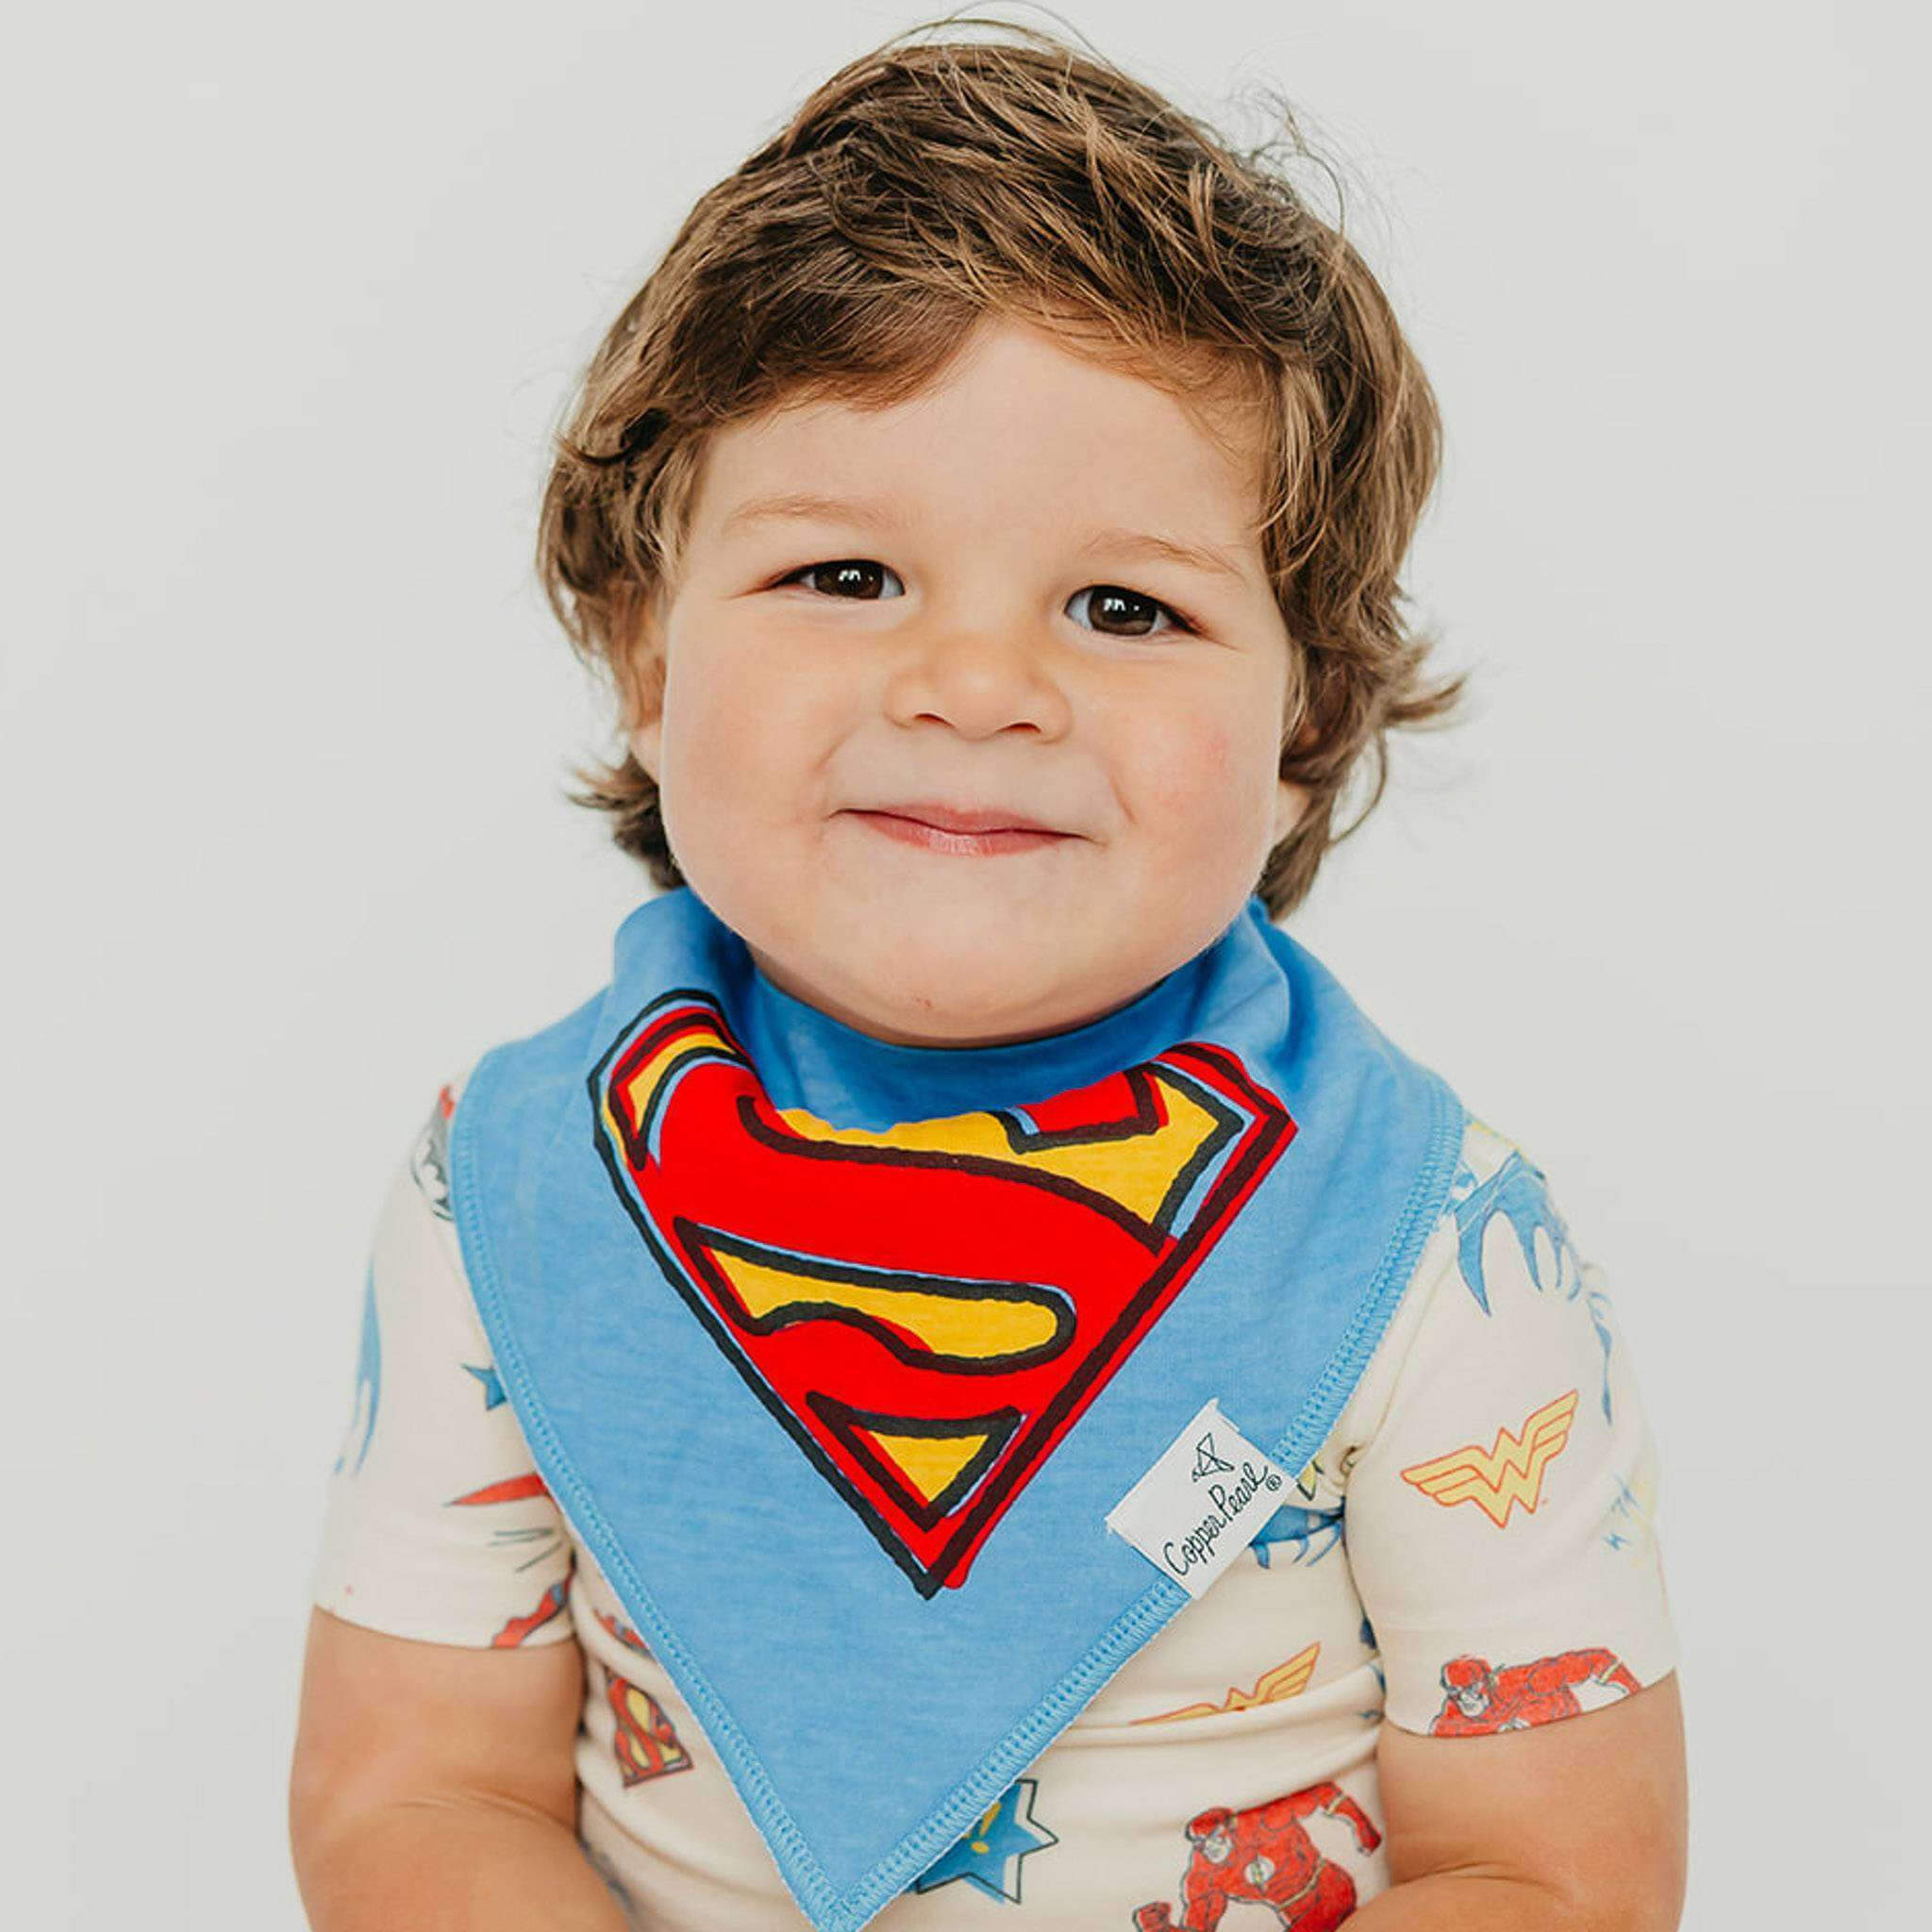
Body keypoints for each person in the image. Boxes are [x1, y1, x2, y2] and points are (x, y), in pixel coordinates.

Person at [287, 16, 1687, 1931]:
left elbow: (1552, 1873)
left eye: (1124, 606)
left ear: (1303, 725)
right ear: (646, 660)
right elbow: (415, 1795)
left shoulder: (1428, 1250)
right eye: (845, 576)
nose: (975, 684)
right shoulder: (514, 1186)